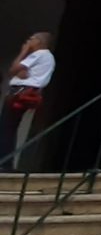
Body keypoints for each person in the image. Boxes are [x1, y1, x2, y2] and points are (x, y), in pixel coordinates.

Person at [0, 33, 56, 170]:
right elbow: (20, 72)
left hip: (20, 92)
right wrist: (21, 70)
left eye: (31, 39)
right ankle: (6, 162)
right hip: (29, 91)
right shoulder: (48, 57)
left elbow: (14, 69)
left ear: (40, 42)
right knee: (11, 127)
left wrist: (23, 51)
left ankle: (4, 163)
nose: (28, 41)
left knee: (6, 128)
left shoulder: (39, 54)